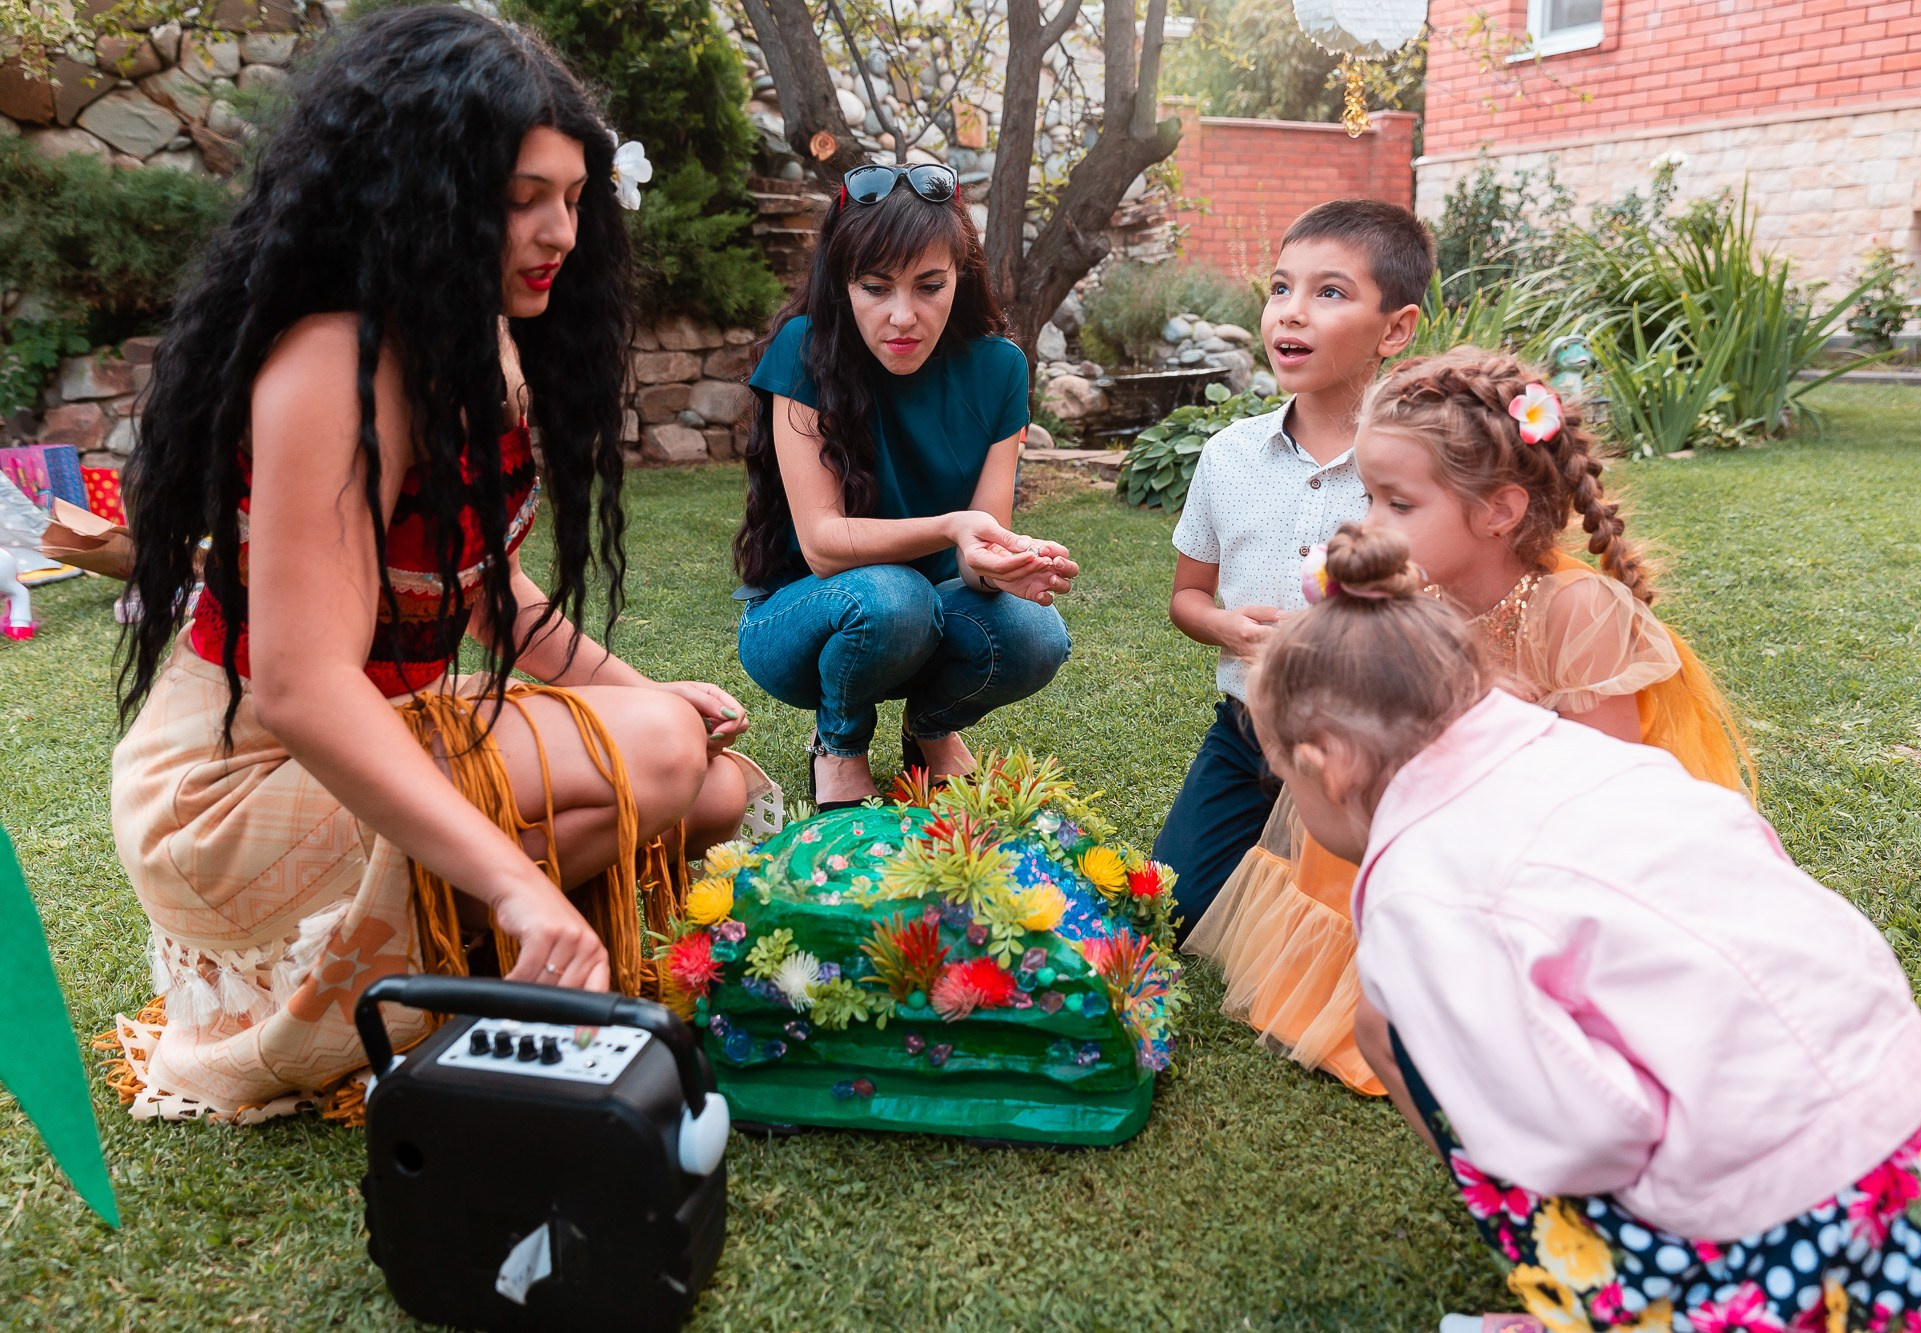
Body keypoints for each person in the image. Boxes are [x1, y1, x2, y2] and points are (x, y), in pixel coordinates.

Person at [105, 7, 772, 1124]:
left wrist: (638, 691)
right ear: (420, 191)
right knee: (657, 757)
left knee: (711, 783)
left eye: (571, 198)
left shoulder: (473, 346)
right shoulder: (337, 362)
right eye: (521, 200)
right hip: (235, 781)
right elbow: (300, 683)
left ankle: (472, 960)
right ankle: (476, 938)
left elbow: (486, 592)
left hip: (377, 725)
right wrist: (516, 874)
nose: (558, 230)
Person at [1253, 525, 1921, 1333]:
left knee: (1405, 1039)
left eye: (1282, 773)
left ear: (1327, 764)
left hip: (1779, 1205)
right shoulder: (1582, 755)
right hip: (1907, 1119)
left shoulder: (1422, 892)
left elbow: (1585, 1132)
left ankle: (1629, 1297)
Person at [1186, 348, 1750, 1094]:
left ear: (1500, 511)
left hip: (1551, 847)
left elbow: (1609, 790)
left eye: (1398, 503)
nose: (1369, 522)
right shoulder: (1422, 597)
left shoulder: (1577, 610)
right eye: (1370, 497)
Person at [733, 162, 1076, 809]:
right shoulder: (806, 348)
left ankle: (930, 725)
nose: (902, 316)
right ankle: (838, 744)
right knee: (896, 595)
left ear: (961, 276)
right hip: (801, 619)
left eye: (929, 286)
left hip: (932, 612)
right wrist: (952, 528)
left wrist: (1002, 562)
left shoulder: (999, 368)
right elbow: (824, 545)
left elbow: (977, 558)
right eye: (875, 287)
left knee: (1038, 632)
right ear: (843, 284)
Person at [1153, 200, 1429, 929]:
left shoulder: (1412, 473)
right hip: (1246, 729)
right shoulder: (1229, 456)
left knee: (1341, 925)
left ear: (1396, 328)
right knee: (1175, 911)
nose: (1291, 314)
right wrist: (1227, 626)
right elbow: (1188, 597)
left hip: (1367, 749)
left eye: (1329, 292)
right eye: (1281, 288)